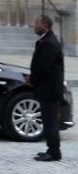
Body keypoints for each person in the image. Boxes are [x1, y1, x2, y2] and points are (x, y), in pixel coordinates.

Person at [30, 14, 64, 162]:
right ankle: (51, 149)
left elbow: (44, 68)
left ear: (45, 25)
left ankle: (54, 153)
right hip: (47, 89)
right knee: (48, 122)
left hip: (50, 90)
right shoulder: (46, 40)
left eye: (36, 23)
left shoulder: (49, 43)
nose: (34, 26)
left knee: (50, 123)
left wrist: (33, 80)